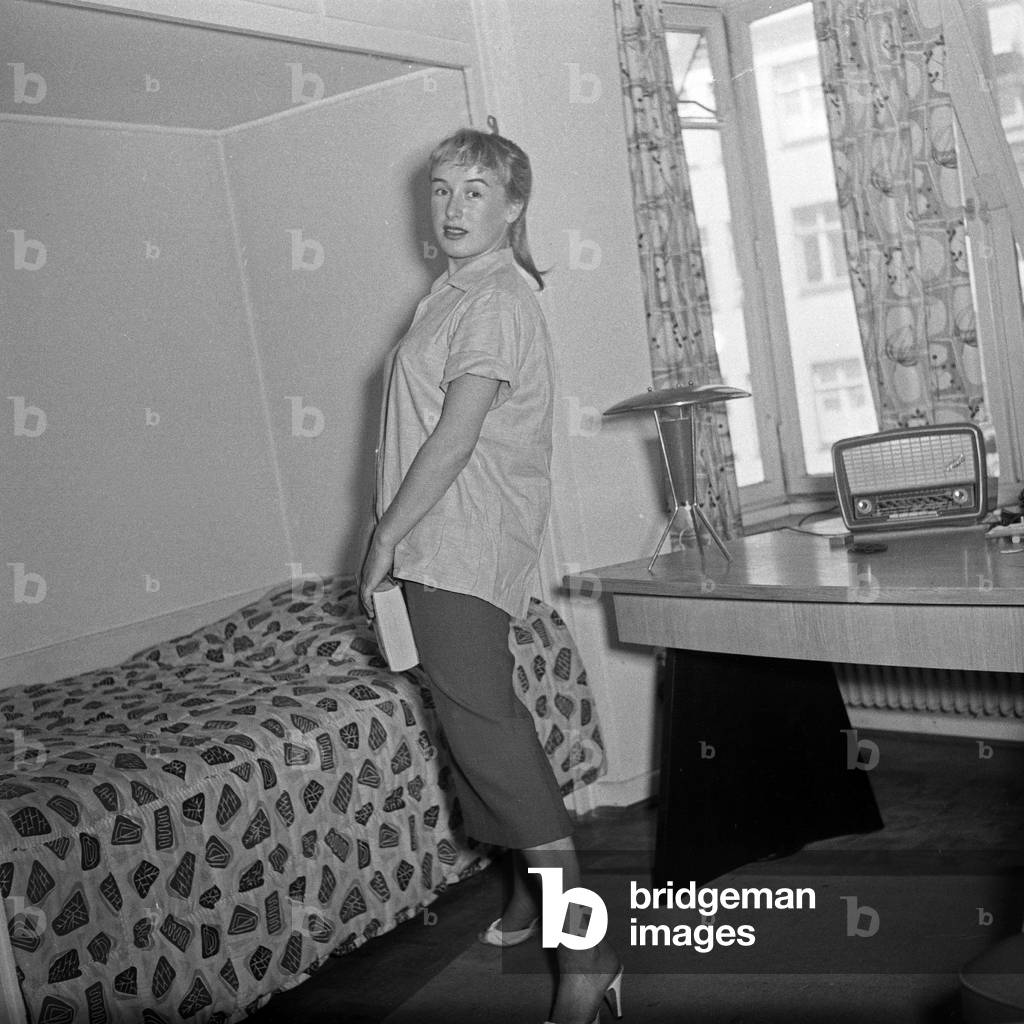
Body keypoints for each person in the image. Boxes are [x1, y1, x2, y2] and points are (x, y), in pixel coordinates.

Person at [358, 125, 622, 1024]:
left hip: (458, 545)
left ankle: (586, 951)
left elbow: (455, 436)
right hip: (442, 546)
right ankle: (527, 898)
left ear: (513, 207)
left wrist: (384, 536)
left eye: (475, 190)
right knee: (476, 738)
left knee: (494, 745)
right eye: (441, 189)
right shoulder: (455, 293)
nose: (453, 206)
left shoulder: (497, 299)